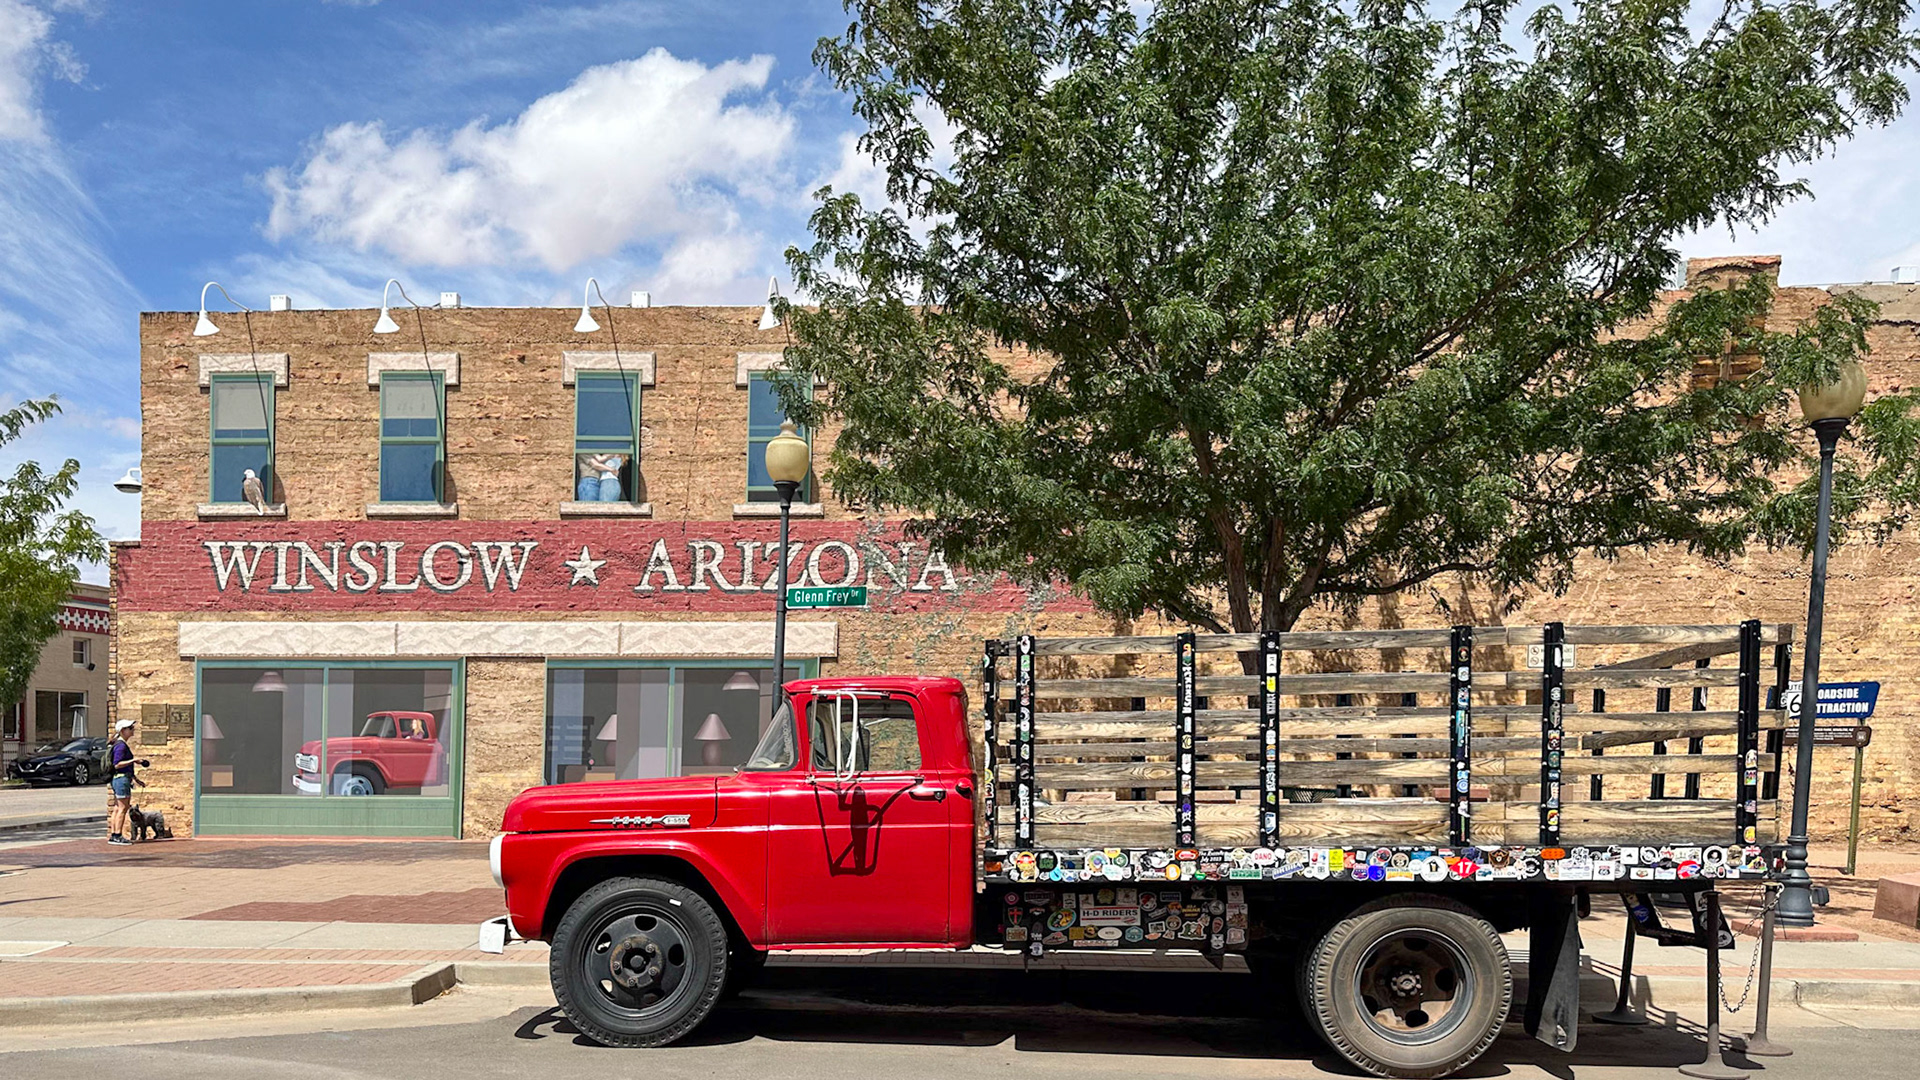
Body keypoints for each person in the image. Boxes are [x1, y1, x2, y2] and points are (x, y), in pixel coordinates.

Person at [105, 720, 149, 846]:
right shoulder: (121, 745)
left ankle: (114, 834)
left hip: (120, 778)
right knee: (123, 808)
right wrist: (134, 760)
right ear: (123, 730)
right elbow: (117, 764)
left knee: (118, 807)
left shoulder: (119, 744)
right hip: (121, 779)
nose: (132, 729)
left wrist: (136, 779)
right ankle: (118, 835)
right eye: (130, 728)